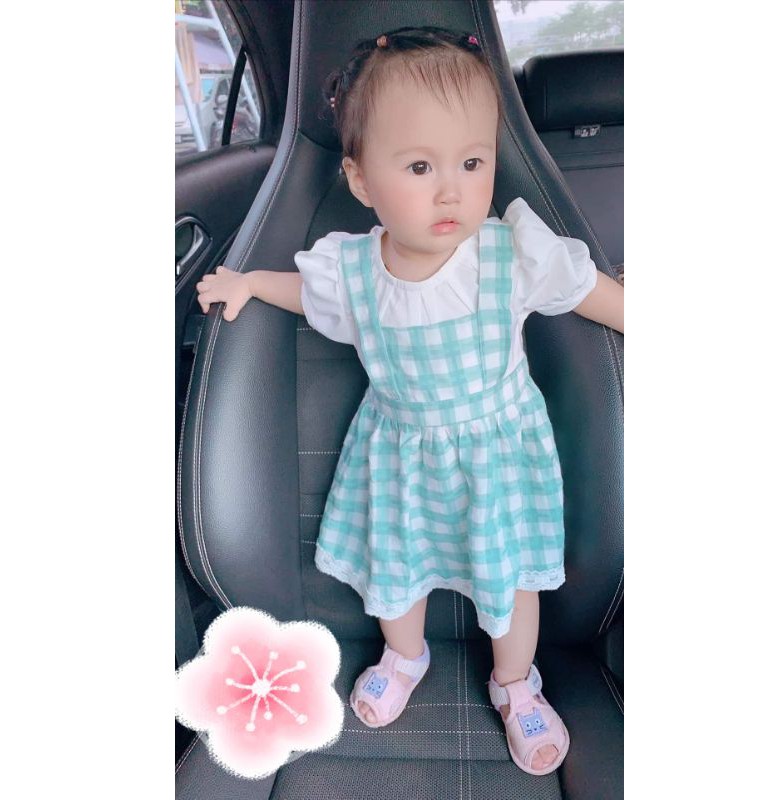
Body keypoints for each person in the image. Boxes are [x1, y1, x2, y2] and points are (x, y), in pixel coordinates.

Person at [195, 25, 623, 777]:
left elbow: (589, 292)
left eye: (472, 162)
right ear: (362, 182)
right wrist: (251, 283)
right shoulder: (354, 272)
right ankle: (405, 654)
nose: (451, 189)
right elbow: (306, 295)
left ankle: (515, 683)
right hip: (400, 456)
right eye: (420, 166)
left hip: (498, 458)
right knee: (393, 574)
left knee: (510, 585)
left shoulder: (512, 255)